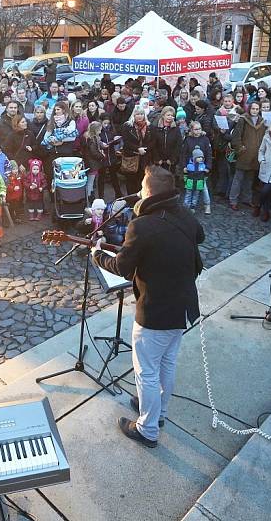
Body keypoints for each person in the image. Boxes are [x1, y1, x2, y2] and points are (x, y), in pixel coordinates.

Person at [92, 165, 204, 448]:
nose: (139, 191)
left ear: (150, 191)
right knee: (166, 363)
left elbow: (122, 267)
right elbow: (198, 236)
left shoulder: (142, 225)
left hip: (155, 309)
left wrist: (97, 255)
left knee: (146, 371)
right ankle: (157, 412)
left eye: (142, 186)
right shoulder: (184, 215)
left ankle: (148, 429)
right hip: (182, 305)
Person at [183, 147, 210, 214]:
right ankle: (186, 207)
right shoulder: (189, 166)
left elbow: (205, 175)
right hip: (190, 182)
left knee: (196, 195)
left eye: (202, 157)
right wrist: (185, 180)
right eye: (199, 157)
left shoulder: (203, 166)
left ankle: (192, 207)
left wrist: (206, 175)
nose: (200, 159)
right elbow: (185, 174)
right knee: (188, 195)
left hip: (198, 183)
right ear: (194, 158)